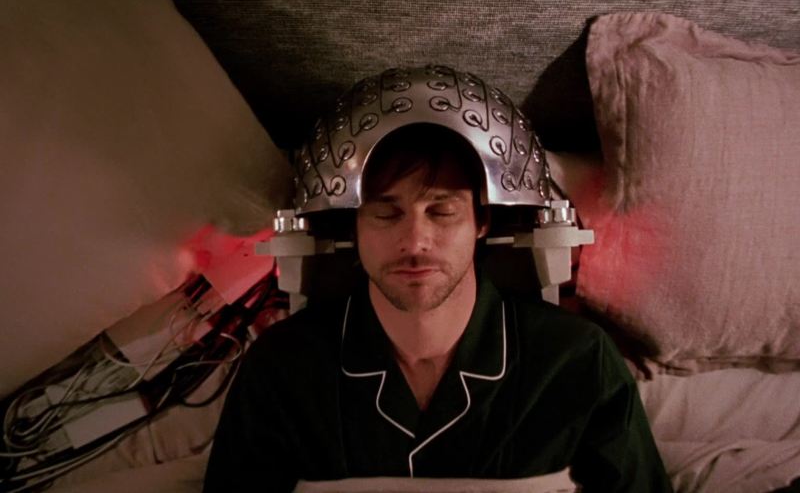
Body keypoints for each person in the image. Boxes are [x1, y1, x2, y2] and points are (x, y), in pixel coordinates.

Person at [204, 66, 672, 492]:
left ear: (481, 221)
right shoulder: (281, 371)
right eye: (386, 213)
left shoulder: (577, 363)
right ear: (354, 227)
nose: (415, 241)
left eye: (442, 211)